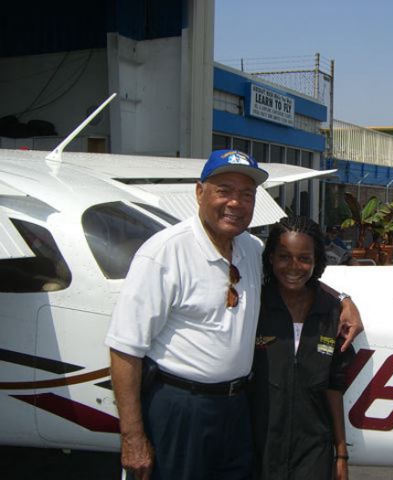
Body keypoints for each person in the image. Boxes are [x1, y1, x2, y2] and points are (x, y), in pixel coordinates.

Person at [105, 150, 363, 480]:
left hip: (238, 408)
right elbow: (125, 348)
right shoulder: (164, 253)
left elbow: (295, 277)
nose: (236, 203)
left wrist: (343, 299)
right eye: (224, 190)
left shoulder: (252, 250)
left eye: (246, 194)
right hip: (182, 407)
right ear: (200, 192)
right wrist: (133, 438)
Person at [251, 216, 354, 480]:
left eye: (304, 258)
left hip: (313, 452)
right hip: (257, 447)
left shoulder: (332, 313)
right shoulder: (254, 308)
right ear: (271, 257)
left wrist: (340, 453)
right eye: (284, 256)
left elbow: (333, 387)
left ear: (317, 260)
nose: (294, 267)